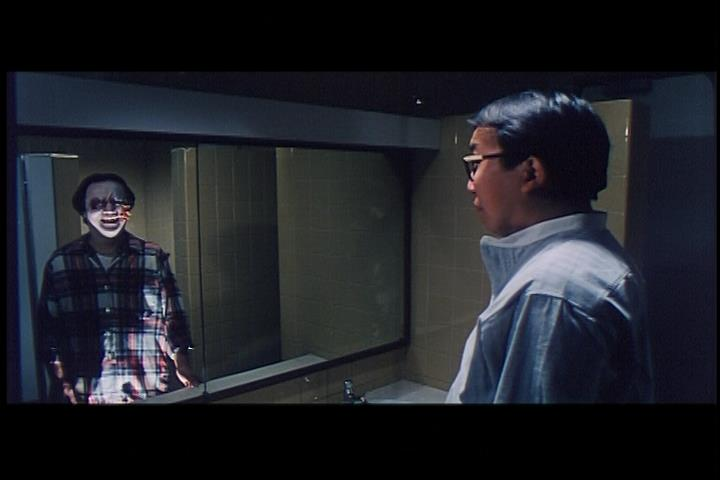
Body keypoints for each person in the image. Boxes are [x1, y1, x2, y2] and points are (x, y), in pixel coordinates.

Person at [446, 91, 654, 403]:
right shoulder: (593, 260)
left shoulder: (553, 292)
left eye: (476, 163)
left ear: (531, 172)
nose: (470, 183)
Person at [36, 172, 199, 404]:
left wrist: (182, 363)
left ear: (128, 210)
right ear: (84, 214)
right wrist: (61, 381)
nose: (109, 210)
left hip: (147, 393)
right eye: (97, 204)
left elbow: (174, 318)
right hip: (87, 396)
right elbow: (48, 333)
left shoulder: (152, 257)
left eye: (117, 202)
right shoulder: (61, 264)